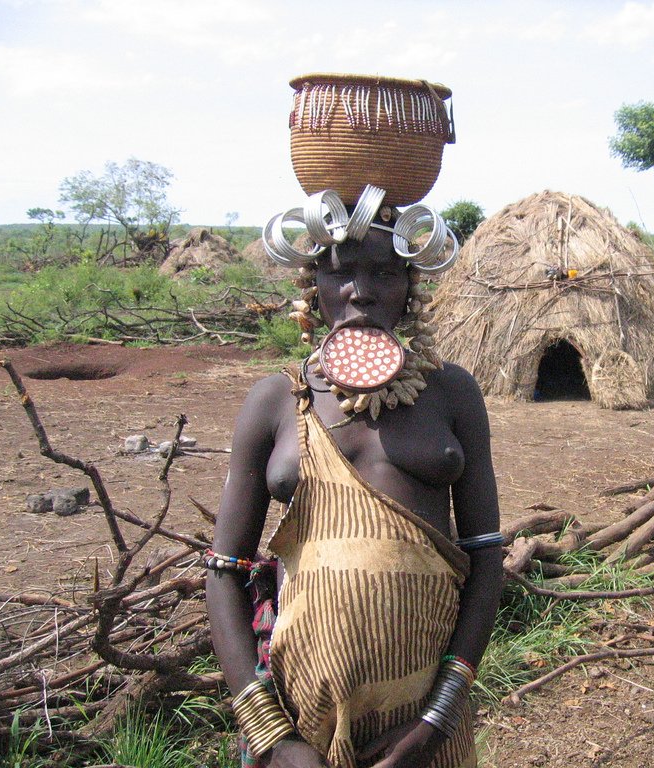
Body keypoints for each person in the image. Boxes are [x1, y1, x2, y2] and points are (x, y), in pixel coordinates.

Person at [206, 210, 503, 768]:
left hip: (424, 718)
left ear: (411, 287)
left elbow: (486, 556)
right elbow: (225, 569)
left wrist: (437, 720)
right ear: (311, 286)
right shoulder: (275, 401)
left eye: (385, 275)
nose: (360, 293)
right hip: (297, 713)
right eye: (340, 274)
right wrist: (271, 734)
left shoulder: (451, 393)